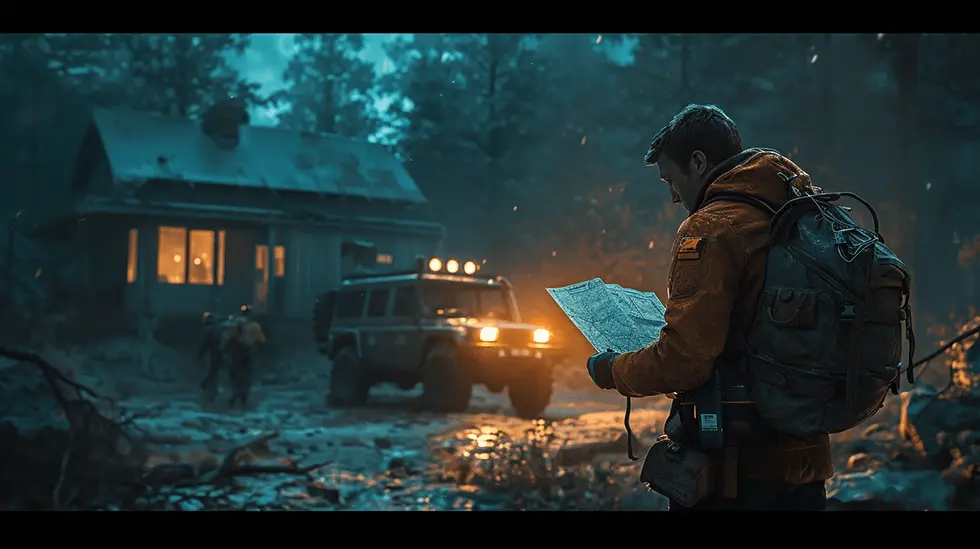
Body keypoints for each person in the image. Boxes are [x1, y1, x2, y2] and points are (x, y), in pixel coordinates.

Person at [586, 104, 832, 511]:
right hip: (806, 467)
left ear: (699, 162)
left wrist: (611, 369)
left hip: (736, 477)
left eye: (672, 180)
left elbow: (684, 362)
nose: (672, 197)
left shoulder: (712, 228)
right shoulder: (799, 212)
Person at [223, 304, 266, 409]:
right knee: (247, 375)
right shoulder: (255, 326)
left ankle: (235, 397)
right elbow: (261, 341)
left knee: (235, 374)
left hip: (238, 351)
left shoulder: (236, 324)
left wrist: (226, 352)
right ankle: (243, 399)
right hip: (248, 352)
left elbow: (230, 339)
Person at [198, 312, 224, 403]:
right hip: (220, 352)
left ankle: (208, 387)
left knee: (211, 371)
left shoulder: (208, 330)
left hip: (212, 353)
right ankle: (212, 388)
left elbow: (205, 343)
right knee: (215, 371)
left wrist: (200, 353)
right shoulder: (218, 328)